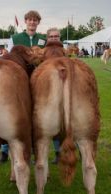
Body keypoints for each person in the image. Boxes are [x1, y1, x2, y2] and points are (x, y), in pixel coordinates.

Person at [0, 10, 46, 163]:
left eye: (35, 20)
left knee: (36, 114)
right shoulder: (15, 38)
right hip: (18, 81)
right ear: (25, 21)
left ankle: (33, 148)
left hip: (39, 81)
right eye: (30, 20)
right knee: (11, 112)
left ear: (38, 22)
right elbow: (8, 60)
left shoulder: (43, 39)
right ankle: (4, 150)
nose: (32, 22)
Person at [46, 27, 62, 164]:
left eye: (56, 36)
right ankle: (57, 153)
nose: (54, 38)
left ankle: (79, 149)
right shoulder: (43, 52)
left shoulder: (64, 51)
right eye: (51, 36)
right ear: (47, 38)